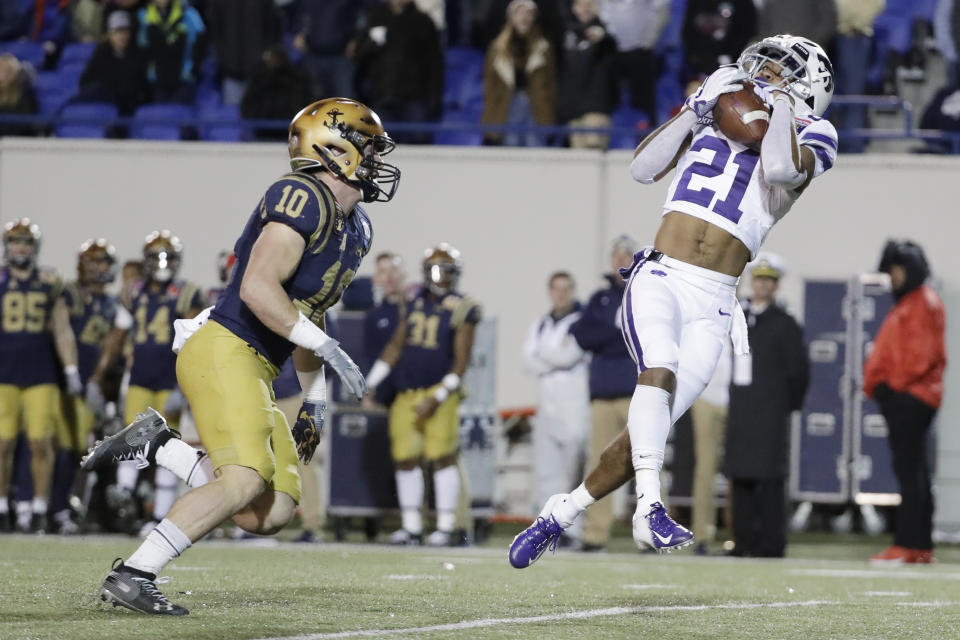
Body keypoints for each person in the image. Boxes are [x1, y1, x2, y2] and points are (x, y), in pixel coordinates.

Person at [509, 33, 838, 567]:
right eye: (766, 66)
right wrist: (696, 107)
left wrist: (775, 105)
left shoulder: (815, 132)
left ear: (807, 85)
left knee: (647, 427)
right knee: (656, 373)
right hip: (661, 273)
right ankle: (650, 508)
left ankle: (561, 512)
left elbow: (777, 167)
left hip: (715, 301)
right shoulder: (718, 110)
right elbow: (642, 168)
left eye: (780, 70)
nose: (765, 73)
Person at [81, 97, 400, 615]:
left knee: (270, 511)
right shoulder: (302, 196)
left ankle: (161, 447)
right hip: (226, 345)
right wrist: (324, 347)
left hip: (260, 365)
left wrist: (315, 400)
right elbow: (257, 287)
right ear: (335, 148)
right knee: (244, 478)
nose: (376, 160)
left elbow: (308, 314)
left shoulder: (354, 229)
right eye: (368, 147)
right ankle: (134, 573)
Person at [86, 230, 205, 537]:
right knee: (132, 437)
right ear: (147, 261)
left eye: (167, 257)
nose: (162, 264)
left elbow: (196, 342)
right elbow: (116, 336)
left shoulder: (187, 292)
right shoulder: (134, 290)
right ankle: (125, 492)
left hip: (170, 379)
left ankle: (160, 516)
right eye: (157, 257)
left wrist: (186, 384)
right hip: (140, 377)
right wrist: (98, 377)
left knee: (167, 445)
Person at [365, 244, 481, 547]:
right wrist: (372, 381)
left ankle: (444, 527)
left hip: (439, 391)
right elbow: (395, 346)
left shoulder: (463, 307)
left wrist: (439, 395)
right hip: (406, 391)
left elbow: (461, 360)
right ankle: (412, 527)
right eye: (437, 270)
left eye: (447, 271)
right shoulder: (413, 301)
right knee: (405, 459)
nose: (442, 277)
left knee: (443, 458)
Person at [866, 240, 945, 565]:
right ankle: (919, 546)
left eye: (897, 270)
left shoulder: (920, 303)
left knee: (910, 473)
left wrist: (889, 387)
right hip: (912, 397)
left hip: (910, 399)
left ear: (910, 269)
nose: (893, 277)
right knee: (915, 473)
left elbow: (922, 356)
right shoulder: (914, 302)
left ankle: (907, 545)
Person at [724, 254, 808, 558]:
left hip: (771, 410)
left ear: (776, 286)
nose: (762, 286)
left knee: (770, 479)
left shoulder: (785, 325)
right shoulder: (739, 318)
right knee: (741, 476)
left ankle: (771, 543)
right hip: (741, 409)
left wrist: (788, 405)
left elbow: (799, 371)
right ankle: (743, 542)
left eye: (768, 281)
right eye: (758, 279)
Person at [0, 219, 81, 533]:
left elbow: (62, 329)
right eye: (15, 241)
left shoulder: (49, 280)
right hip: (4, 372)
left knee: (40, 443)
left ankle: (38, 507)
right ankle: (3, 506)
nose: (20, 247)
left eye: (26, 242)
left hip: (40, 373)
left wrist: (71, 368)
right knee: (3, 443)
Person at [567, 236, 642, 552]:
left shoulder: (644, 291)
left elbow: (641, 335)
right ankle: (595, 533)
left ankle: (652, 533)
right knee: (599, 464)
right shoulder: (599, 298)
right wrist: (616, 335)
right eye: (616, 255)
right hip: (602, 394)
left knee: (646, 463)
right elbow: (583, 335)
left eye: (626, 255)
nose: (620, 260)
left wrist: (608, 337)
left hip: (636, 393)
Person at [48, 239, 121, 534]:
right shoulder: (70, 294)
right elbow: (59, 330)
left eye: (104, 262)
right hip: (67, 384)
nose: (100, 268)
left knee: (88, 448)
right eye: (96, 262)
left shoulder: (110, 301)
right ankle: (56, 510)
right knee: (67, 446)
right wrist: (72, 373)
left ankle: (83, 510)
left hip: (95, 385)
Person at [522, 271, 590, 545]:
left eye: (565, 289)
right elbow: (527, 361)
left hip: (573, 405)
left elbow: (570, 356)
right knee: (546, 470)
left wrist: (543, 355)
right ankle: (548, 527)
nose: (560, 294)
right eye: (556, 289)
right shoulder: (540, 324)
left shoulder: (581, 321)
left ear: (572, 291)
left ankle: (573, 530)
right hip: (547, 405)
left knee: (572, 471)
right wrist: (552, 358)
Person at [354, 0, 443, 145]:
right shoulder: (375, 17)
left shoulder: (423, 21)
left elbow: (434, 64)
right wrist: (371, 44)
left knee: (419, 143)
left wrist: (434, 99)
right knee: (381, 145)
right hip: (382, 95)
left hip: (415, 97)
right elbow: (360, 56)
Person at [481, 0, 556, 146]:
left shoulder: (544, 48)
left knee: (536, 154)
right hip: (508, 107)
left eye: (529, 13)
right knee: (511, 154)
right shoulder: (497, 48)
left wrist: (549, 116)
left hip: (536, 108)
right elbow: (490, 86)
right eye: (520, 12)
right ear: (511, 17)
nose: (524, 17)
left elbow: (551, 85)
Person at [689, 336, 730, 555]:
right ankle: (702, 535)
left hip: (740, 397)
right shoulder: (701, 310)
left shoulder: (746, 315)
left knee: (740, 469)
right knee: (705, 469)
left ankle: (738, 534)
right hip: (706, 396)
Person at [558, 0, 618, 149]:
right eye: (580, 4)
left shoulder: (604, 35)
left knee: (594, 156)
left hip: (595, 111)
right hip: (574, 110)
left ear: (597, 8)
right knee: (579, 164)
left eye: (589, 4)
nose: (584, 9)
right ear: (574, 8)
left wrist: (602, 37)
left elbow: (611, 46)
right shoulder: (568, 35)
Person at [78, 10, 150, 116]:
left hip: (127, 106)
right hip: (103, 102)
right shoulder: (101, 54)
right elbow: (84, 82)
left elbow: (141, 88)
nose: (122, 36)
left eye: (125, 31)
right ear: (110, 34)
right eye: (118, 31)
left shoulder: (137, 55)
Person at [137, 0, 206, 103]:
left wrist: (192, 69)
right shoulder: (143, 16)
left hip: (183, 81)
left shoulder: (189, 13)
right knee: (160, 117)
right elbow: (141, 48)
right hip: (155, 81)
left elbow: (202, 43)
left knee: (182, 116)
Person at [0, 53, 39, 138]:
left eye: (7, 70)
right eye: (1, 70)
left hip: (18, 141)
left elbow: (26, 121)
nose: (3, 74)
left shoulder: (25, 93)